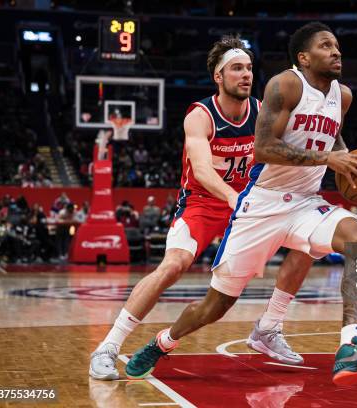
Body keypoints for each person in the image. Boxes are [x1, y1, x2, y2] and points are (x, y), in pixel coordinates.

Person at [126, 22, 357, 386]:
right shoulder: (284, 85)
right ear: (303, 57)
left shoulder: (342, 96)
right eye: (326, 46)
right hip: (261, 207)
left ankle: (349, 346)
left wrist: (350, 162)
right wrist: (328, 161)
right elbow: (264, 148)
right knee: (215, 307)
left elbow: (332, 136)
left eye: (337, 46)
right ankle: (163, 342)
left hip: (305, 204)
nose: (336, 52)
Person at [90, 35, 311, 381]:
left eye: (249, 68)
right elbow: (204, 171)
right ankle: (107, 347)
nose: (246, 75)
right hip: (203, 202)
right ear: (219, 77)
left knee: (307, 241)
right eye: (237, 68)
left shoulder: (262, 112)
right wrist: (230, 197)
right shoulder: (200, 115)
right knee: (173, 265)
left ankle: (269, 327)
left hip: (251, 203)